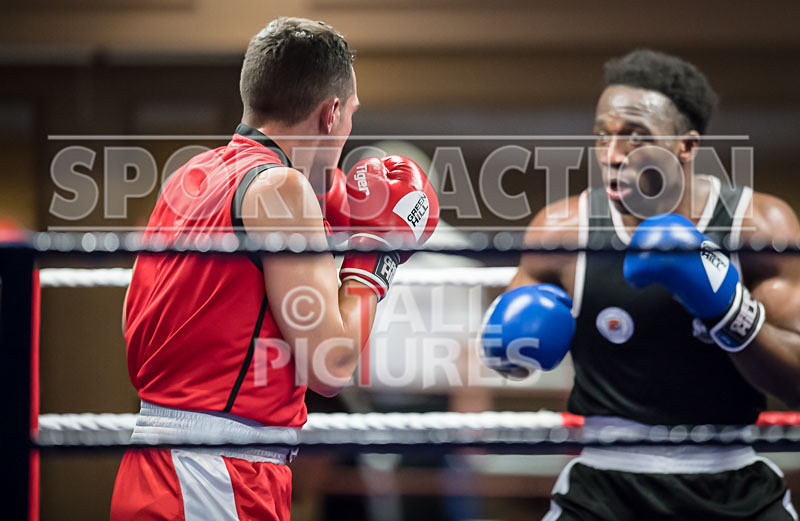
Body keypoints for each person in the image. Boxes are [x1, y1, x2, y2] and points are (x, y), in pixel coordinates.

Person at [110, 17, 439, 521]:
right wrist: (378, 257)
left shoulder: (190, 177)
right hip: (218, 471)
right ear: (330, 114)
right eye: (351, 114)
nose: (349, 131)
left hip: (157, 460)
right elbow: (330, 366)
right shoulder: (281, 190)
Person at [481, 49, 800, 520]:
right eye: (603, 136)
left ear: (685, 147)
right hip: (603, 487)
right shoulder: (562, 231)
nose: (612, 156)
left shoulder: (758, 226)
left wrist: (729, 311)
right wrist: (505, 348)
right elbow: (504, 354)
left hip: (732, 481)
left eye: (636, 139)